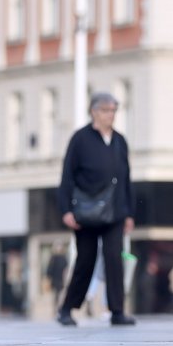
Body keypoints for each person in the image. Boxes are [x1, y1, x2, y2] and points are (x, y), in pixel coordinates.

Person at [56, 93, 136, 327]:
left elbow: (126, 178)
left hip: (115, 211)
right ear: (94, 111)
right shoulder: (80, 139)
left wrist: (129, 212)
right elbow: (67, 177)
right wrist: (66, 210)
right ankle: (67, 308)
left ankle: (117, 311)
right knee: (85, 261)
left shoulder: (120, 141)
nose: (110, 115)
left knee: (115, 260)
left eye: (113, 110)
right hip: (86, 211)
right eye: (105, 110)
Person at [46, 242, 69, 315]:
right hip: (55, 278)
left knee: (60, 294)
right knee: (56, 294)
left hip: (61, 278)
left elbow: (66, 268)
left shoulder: (63, 257)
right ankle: (56, 309)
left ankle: (60, 308)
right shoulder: (53, 257)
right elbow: (49, 269)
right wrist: (49, 278)